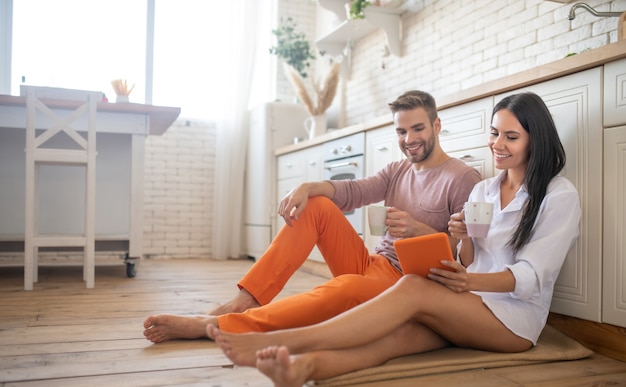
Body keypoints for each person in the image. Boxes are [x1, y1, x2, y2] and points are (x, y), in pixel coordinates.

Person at [207, 92, 582, 387]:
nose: (497, 145)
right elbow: (468, 258)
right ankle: (300, 370)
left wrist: (466, 282)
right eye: (494, 133)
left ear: (536, 139)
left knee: (411, 288)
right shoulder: (484, 190)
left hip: (513, 320)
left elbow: (532, 278)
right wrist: (465, 239)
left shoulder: (558, 196)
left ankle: (280, 340)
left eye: (510, 137)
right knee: (392, 341)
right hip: (467, 301)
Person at [143, 90, 481, 343]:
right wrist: (309, 186)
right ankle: (243, 302)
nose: (408, 140)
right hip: (374, 265)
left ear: (436, 125)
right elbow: (353, 191)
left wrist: (418, 230)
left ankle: (217, 326)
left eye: (417, 129)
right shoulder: (397, 170)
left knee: (343, 287)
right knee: (318, 204)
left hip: (409, 283)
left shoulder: (462, 178)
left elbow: (469, 255)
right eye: (400, 132)